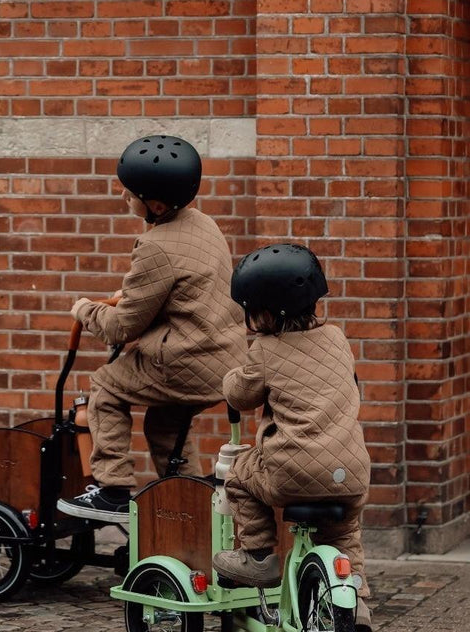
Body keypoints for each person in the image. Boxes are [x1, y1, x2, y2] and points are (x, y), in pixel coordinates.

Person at [57, 134, 246, 522]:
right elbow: (185, 292)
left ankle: (112, 489)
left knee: (106, 386)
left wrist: (84, 309)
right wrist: (134, 297)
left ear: (155, 204)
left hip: (185, 363)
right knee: (164, 420)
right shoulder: (204, 224)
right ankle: (189, 500)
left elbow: (121, 329)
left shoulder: (156, 245)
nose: (125, 198)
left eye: (130, 194)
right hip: (225, 360)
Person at [211, 243, 373, 632]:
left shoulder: (265, 350)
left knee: (240, 474)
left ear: (265, 313)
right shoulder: (337, 339)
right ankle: (359, 607)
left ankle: (258, 557)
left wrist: (230, 378)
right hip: (350, 471)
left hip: (291, 471)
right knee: (344, 534)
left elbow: (241, 394)